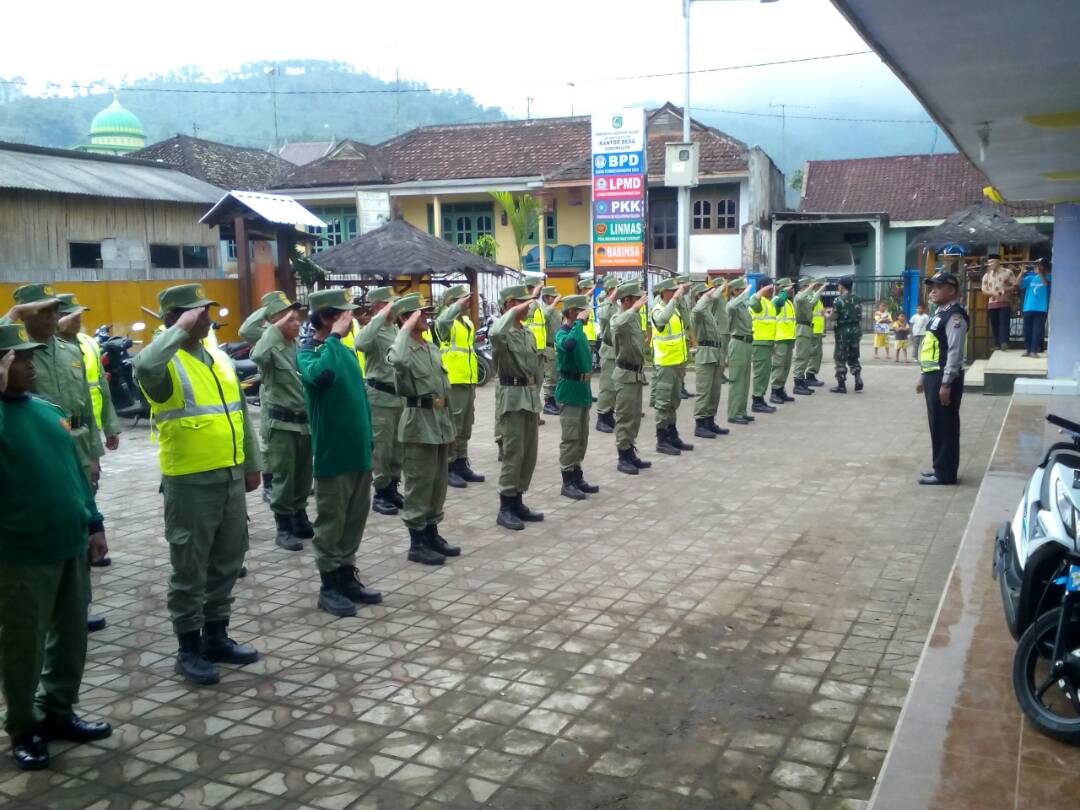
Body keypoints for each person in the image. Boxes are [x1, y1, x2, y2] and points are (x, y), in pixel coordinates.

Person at [133, 284, 263, 685]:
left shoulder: (219, 357)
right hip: (189, 481)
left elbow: (240, 413)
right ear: (175, 318)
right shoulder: (165, 362)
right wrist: (176, 331)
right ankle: (188, 649)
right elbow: (143, 367)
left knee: (227, 559)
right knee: (190, 567)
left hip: (228, 475)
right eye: (196, 313)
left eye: (207, 311)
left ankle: (216, 636)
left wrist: (252, 464)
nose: (206, 318)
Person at [0, 327, 113, 771]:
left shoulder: (47, 412)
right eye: (21, 359)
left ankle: (59, 712)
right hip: (21, 553)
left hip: (70, 544)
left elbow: (75, 473)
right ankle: (24, 727)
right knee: (23, 645)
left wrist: (94, 522)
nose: (32, 366)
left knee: (71, 636)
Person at [3, 285, 109, 633]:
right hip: (35, 451)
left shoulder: (69, 351)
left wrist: (93, 452)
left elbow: (85, 406)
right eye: (45, 311)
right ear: (25, 312)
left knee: (80, 525)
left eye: (55, 311)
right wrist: (14, 316)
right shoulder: (12, 357)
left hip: (74, 447)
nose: (54, 317)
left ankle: (78, 604)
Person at [298, 288, 383, 617]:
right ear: (325, 318)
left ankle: (347, 576)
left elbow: (359, 399)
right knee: (332, 522)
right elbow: (323, 377)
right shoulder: (309, 353)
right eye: (343, 314)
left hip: (358, 450)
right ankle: (329, 585)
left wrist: (369, 442)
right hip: (333, 453)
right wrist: (333, 338)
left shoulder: (345, 351)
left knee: (354, 519)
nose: (350, 319)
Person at [388, 294, 461, 565]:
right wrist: (405, 328)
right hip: (418, 422)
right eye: (421, 314)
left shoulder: (430, 348)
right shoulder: (403, 349)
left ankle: (432, 533)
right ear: (406, 319)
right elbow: (395, 359)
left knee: (437, 483)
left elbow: (445, 391)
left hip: (439, 421)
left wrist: (451, 429)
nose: (427, 318)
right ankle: (416, 542)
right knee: (419, 483)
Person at [239, 291, 313, 552]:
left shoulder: (295, 345)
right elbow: (251, 338)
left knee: (303, 474)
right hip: (281, 423)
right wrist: (272, 318)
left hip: (303, 421)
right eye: (291, 320)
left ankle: (300, 515)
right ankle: (283, 526)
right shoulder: (268, 343)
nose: (298, 323)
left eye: (297, 319)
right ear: (277, 321)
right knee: (284, 475)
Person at [490, 285, 545, 531]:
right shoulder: (502, 333)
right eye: (521, 303)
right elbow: (494, 333)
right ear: (509, 305)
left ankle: (518, 500)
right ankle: (505, 506)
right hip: (512, 398)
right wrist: (511, 313)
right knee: (513, 453)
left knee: (528, 454)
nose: (527, 306)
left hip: (530, 397)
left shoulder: (527, 333)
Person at [352, 286, 405, 516]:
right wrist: (379, 316)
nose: (394, 307)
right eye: (389, 304)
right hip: (379, 397)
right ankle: (381, 492)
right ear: (378, 306)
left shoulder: (395, 329)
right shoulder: (371, 330)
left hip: (398, 397)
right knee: (381, 449)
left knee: (397, 447)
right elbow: (360, 344)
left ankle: (393, 487)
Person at [916, 271, 969, 486]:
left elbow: (954, 352)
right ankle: (940, 467)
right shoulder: (940, 313)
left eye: (938, 286)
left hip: (943, 377)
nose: (933, 290)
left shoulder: (955, 316)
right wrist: (922, 375)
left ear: (952, 290)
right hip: (933, 376)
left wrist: (946, 383)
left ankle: (946, 473)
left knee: (945, 425)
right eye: (932, 286)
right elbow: (931, 346)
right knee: (936, 424)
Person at [432, 285, 484, 489]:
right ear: (452, 302)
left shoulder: (467, 322)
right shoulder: (446, 322)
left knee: (466, 423)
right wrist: (454, 308)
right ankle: (449, 466)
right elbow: (442, 321)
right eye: (462, 299)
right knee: (453, 424)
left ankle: (461, 462)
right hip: (453, 379)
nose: (467, 302)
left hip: (467, 378)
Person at [56, 295, 121, 452]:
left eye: (79, 314)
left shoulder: (90, 343)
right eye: (70, 315)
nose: (77, 318)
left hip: (89, 426)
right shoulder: (46, 349)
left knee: (90, 472)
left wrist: (110, 426)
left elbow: (103, 388)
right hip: (59, 429)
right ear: (57, 318)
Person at [555, 295, 600, 499]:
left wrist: (580, 324)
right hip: (569, 389)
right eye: (583, 311)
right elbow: (570, 345)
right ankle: (567, 482)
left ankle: (577, 475)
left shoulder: (580, 331)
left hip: (583, 389)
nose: (587, 313)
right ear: (573, 312)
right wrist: (579, 322)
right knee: (570, 438)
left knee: (581, 437)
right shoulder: (563, 333)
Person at [611, 281, 652, 475]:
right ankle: (622, 456)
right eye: (636, 299)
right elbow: (617, 325)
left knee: (634, 417)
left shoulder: (634, 317)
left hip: (636, 373)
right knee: (625, 417)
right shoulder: (619, 317)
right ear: (626, 300)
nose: (640, 302)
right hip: (625, 374)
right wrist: (634, 309)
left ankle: (630, 451)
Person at [651, 278, 694, 455]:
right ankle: (661, 440)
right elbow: (661, 322)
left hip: (677, 363)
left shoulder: (675, 308)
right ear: (664, 292)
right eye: (673, 291)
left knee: (673, 401)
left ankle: (672, 434)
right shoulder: (658, 309)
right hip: (665, 364)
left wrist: (680, 299)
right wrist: (676, 299)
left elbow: (686, 322)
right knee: (663, 403)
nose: (676, 293)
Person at [690, 281, 731, 438]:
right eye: (705, 293)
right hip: (706, 354)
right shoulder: (698, 311)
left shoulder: (708, 312)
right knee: (704, 391)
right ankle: (700, 424)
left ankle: (709, 421)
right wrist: (706, 297)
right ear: (699, 296)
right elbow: (698, 308)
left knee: (715, 391)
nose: (710, 295)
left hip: (716, 353)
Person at [724, 277, 756, 426]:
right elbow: (730, 308)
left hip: (747, 343)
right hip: (737, 343)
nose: (744, 292)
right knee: (737, 380)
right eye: (740, 290)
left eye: (743, 290)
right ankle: (733, 413)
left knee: (745, 380)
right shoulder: (732, 305)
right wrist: (745, 294)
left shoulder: (742, 305)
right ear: (734, 291)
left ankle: (741, 411)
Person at [791, 279, 825, 395]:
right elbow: (801, 298)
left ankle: (801, 382)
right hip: (802, 328)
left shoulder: (805, 299)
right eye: (809, 287)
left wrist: (820, 289)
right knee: (801, 357)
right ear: (805, 286)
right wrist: (812, 287)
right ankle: (798, 384)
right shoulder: (799, 297)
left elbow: (813, 301)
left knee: (805, 357)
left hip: (808, 329)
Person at [594, 282, 620, 434]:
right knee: (607, 386)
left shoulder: (617, 305)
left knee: (615, 386)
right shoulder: (605, 305)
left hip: (618, 350)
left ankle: (609, 414)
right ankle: (602, 417)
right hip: (609, 350)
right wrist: (612, 297)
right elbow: (603, 317)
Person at [749, 281, 778, 414]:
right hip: (759, 342)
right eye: (770, 288)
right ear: (762, 288)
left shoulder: (769, 303)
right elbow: (753, 302)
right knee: (760, 374)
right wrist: (761, 291)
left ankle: (760, 399)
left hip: (767, 343)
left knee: (765, 373)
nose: (772, 291)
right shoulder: (758, 301)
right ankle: (757, 401)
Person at [831, 277, 864, 394]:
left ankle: (841, 385)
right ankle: (857, 377)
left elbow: (834, 316)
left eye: (838, 285)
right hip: (856, 330)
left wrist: (826, 315)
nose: (838, 287)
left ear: (842, 286)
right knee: (854, 355)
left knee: (840, 358)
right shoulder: (858, 298)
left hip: (843, 332)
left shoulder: (838, 300)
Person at [768, 278, 797, 404]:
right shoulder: (776, 300)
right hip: (779, 339)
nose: (792, 290)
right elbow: (778, 303)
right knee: (778, 367)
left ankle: (781, 389)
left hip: (789, 338)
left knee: (786, 366)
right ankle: (774, 391)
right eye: (790, 288)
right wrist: (784, 292)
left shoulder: (789, 303)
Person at [981, 254, 1018, 351]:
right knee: (995, 324)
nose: (990, 264)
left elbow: (1015, 286)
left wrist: (1006, 289)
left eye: (992, 261)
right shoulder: (987, 275)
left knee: (1004, 322)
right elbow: (984, 290)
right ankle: (997, 344)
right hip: (992, 303)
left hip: (1005, 301)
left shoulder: (1008, 272)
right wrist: (992, 292)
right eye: (989, 262)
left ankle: (1004, 342)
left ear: (998, 262)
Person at [539, 285, 563, 416]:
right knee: (550, 376)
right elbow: (544, 316)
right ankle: (548, 403)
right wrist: (554, 303)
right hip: (548, 348)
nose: (556, 299)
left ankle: (555, 400)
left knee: (557, 375)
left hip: (557, 346)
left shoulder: (556, 312)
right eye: (553, 297)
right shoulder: (544, 311)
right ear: (546, 298)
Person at [1020, 261, 1051, 357]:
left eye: (1038, 265)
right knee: (1026, 330)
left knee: (1037, 330)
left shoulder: (1049, 276)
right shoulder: (1030, 277)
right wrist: (1021, 273)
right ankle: (1028, 350)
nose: (1036, 267)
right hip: (1028, 307)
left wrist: (1040, 273)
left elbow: (1045, 284)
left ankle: (1034, 351)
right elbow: (1017, 283)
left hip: (1041, 308)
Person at [804, 281, 828, 387]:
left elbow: (821, 313)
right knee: (814, 354)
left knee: (817, 354)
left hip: (818, 330)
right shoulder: (811, 297)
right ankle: (810, 375)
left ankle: (812, 374)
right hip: (813, 329)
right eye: (821, 286)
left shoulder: (818, 299)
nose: (823, 288)